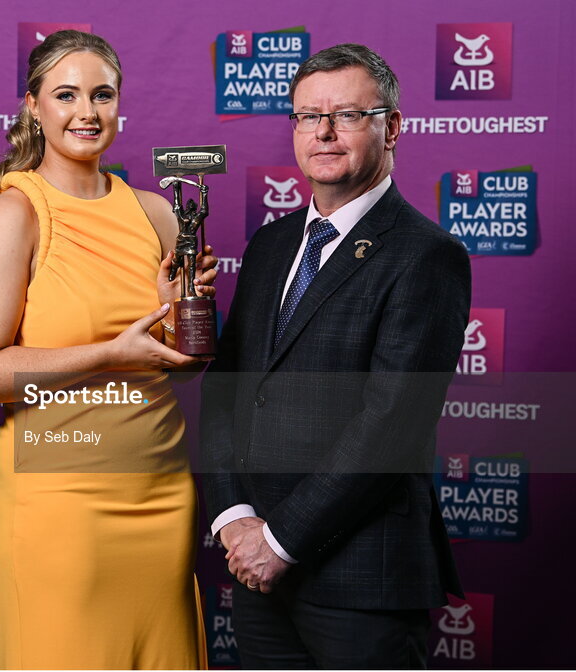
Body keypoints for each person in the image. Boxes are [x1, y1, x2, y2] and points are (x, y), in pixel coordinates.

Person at [201, 43, 471, 668]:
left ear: (391, 126)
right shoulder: (270, 244)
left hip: (360, 580)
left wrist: (281, 541)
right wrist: (235, 517)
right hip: (256, 570)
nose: (322, 132)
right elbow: (226, 386)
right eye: (306, 116)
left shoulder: (425, 255)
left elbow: (390, 424)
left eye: (347, 115)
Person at [0, 30, 212, 670]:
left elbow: (185, 365)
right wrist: (109, 352)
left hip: (161, 494)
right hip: (60, 505)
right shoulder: (14, 214)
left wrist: (183, 316)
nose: (87, 112)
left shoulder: (156, 214)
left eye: (102, 94)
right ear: (33, 108)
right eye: (66, 95)